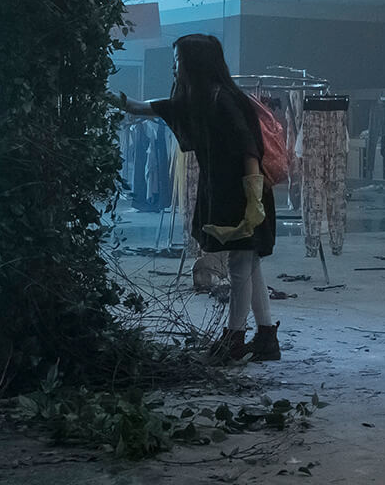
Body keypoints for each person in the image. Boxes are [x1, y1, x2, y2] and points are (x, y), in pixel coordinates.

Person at [117, 34, 280, 363]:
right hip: (226, 190)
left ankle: (233, 341)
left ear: (195, 62)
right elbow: (139, 107)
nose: (174, 67)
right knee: (250, 265)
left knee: (239, 266)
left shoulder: (224, 100)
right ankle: (265, 338)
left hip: (244, 190)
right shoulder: (198, 101)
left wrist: (252, 199)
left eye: (178, 59)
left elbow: (249, 148)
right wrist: (103, 95)